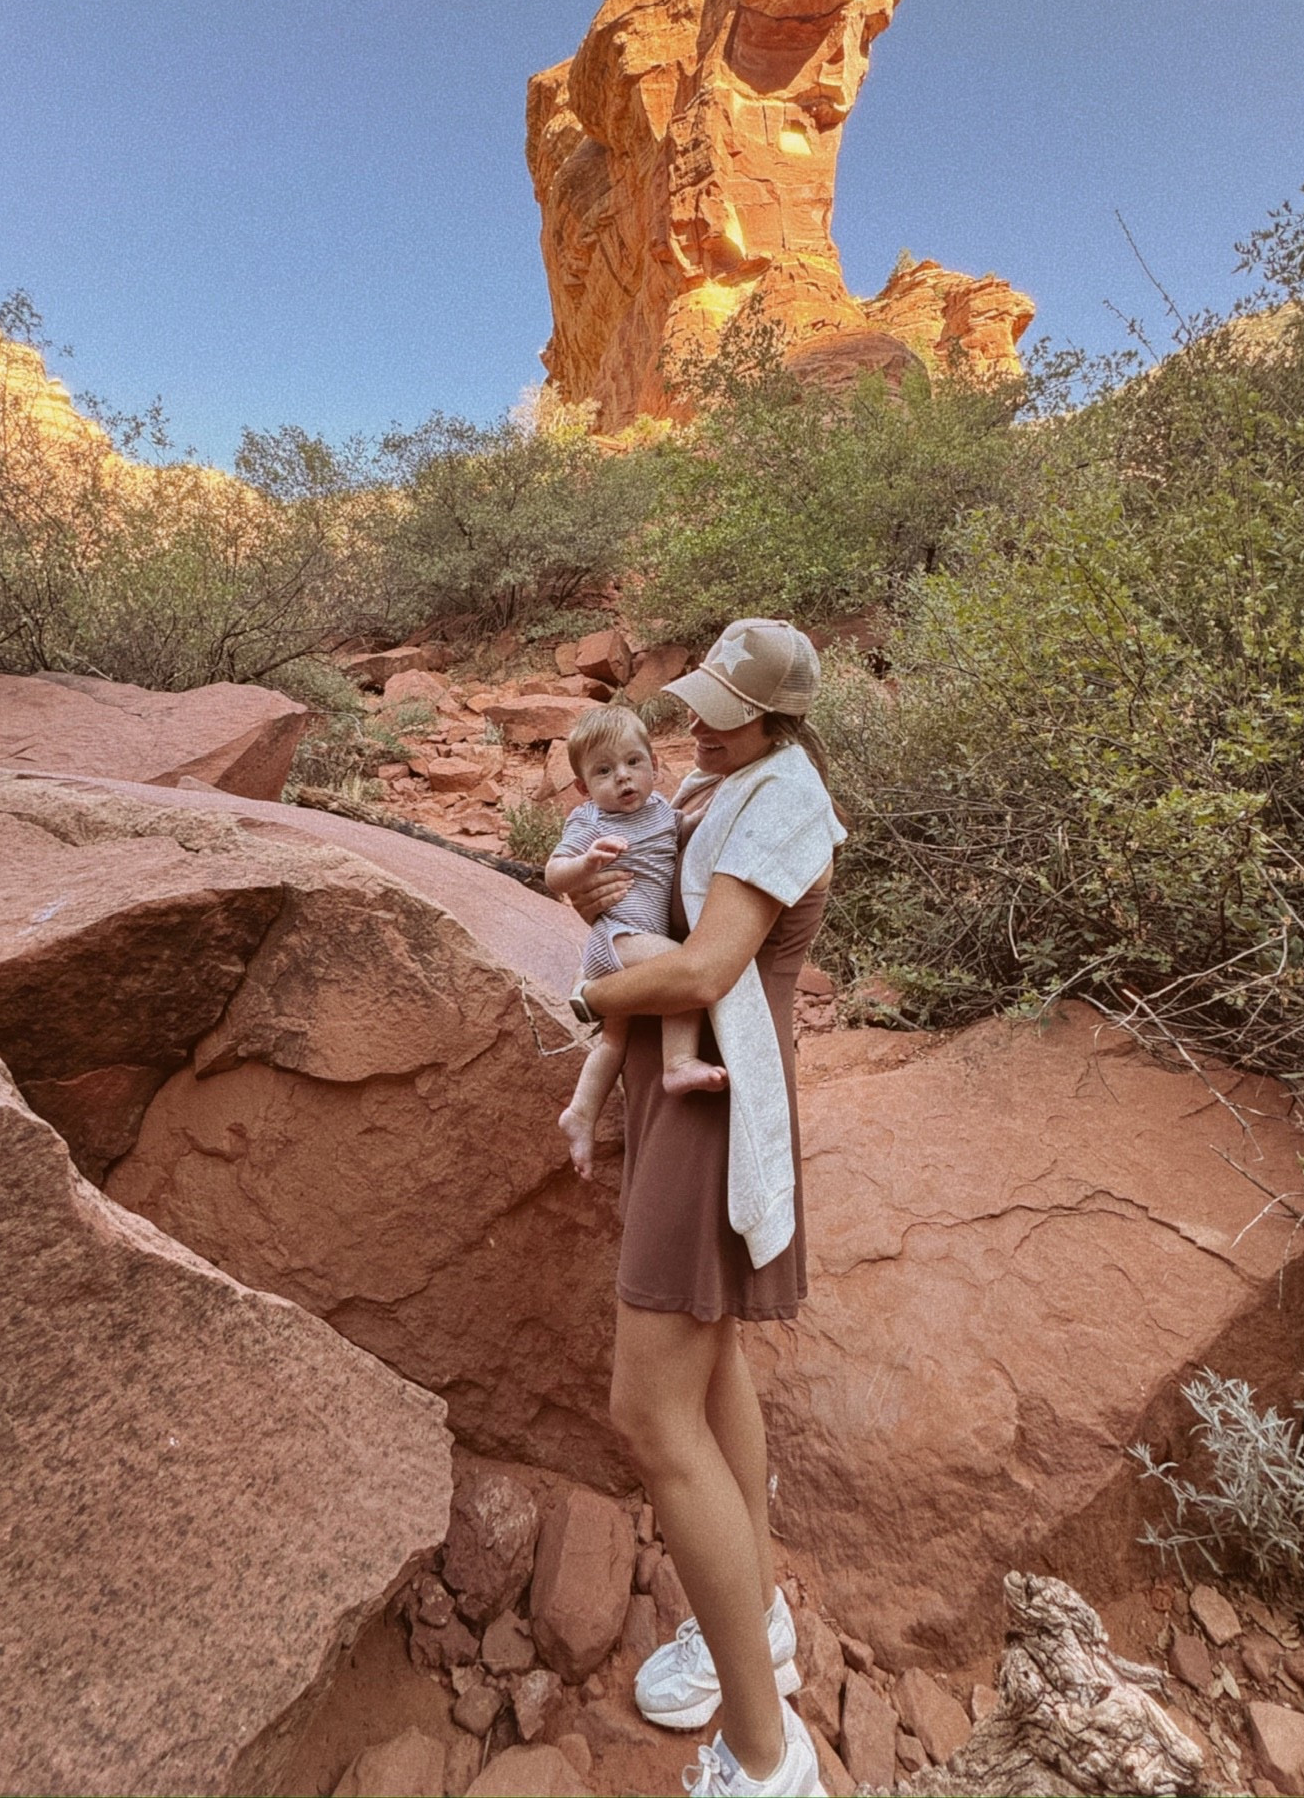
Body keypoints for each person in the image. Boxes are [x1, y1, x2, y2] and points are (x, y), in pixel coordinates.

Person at [561, 619, 844, 1798]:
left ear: (772, 717)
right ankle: (756, 1621)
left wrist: (591, 995)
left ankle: (766, 1760)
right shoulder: (726, 781)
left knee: (649, 1414)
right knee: (712, 1359)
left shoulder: (785, 804)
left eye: (718, 707)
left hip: (713, 1106)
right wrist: (588, 885)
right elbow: (645, 888)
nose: (693, 721)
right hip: (684, 1094)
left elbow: (702, 969)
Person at [547, 707, 727, 1179]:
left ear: (654, 764)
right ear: (583, 787)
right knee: (683, 969)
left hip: (636, 939)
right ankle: (678, 1061)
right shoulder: (589, 821)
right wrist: (586, 864)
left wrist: (711, 812)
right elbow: (553, 874)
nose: (622, 777)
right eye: (604, 771)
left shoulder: (661, 810)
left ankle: (580, 1113)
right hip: (617, 937)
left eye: (633, 762)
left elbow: (681, 831)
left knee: (614, 1040)